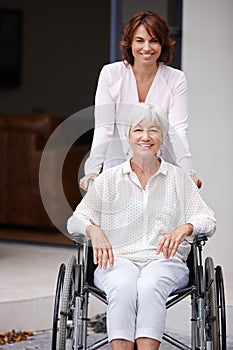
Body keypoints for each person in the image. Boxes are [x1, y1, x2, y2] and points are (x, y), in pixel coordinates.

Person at [68, 103, 216, 350]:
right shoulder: (109, 178)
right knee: (124, 285)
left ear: (163, 137)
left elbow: (208, 220)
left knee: (150, 284)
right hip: (117, 260)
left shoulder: (180, 179)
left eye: (154, 131)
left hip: (165, 261)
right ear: (128, 135)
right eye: (138, 130)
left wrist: (186, 227)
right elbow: (76, 220)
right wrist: (93, 230)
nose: (145, 137)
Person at [80, 10, 202, 191]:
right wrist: (92, 171)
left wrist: (188, 172)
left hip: (159, 169)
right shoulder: (111, 75)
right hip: (118, 167)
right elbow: (104, 128)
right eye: (140, 40)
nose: (147, 48)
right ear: (129, 43)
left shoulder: (175, 79)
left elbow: (177, 130)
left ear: (162, 44)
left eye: (154, 41)